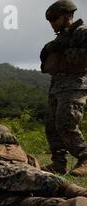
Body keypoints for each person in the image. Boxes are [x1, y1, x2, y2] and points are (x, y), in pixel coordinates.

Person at [40, 0, 87, 176]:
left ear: (67, 15)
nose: (52, 23)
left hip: (75, 85)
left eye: (54, 18)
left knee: (65, 122)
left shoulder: (81, 33)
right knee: (51, 125)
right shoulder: (62, 37)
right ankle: (58, 163)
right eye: (49, 20)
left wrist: (66, 48)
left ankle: (84, 158)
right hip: (57, 86)